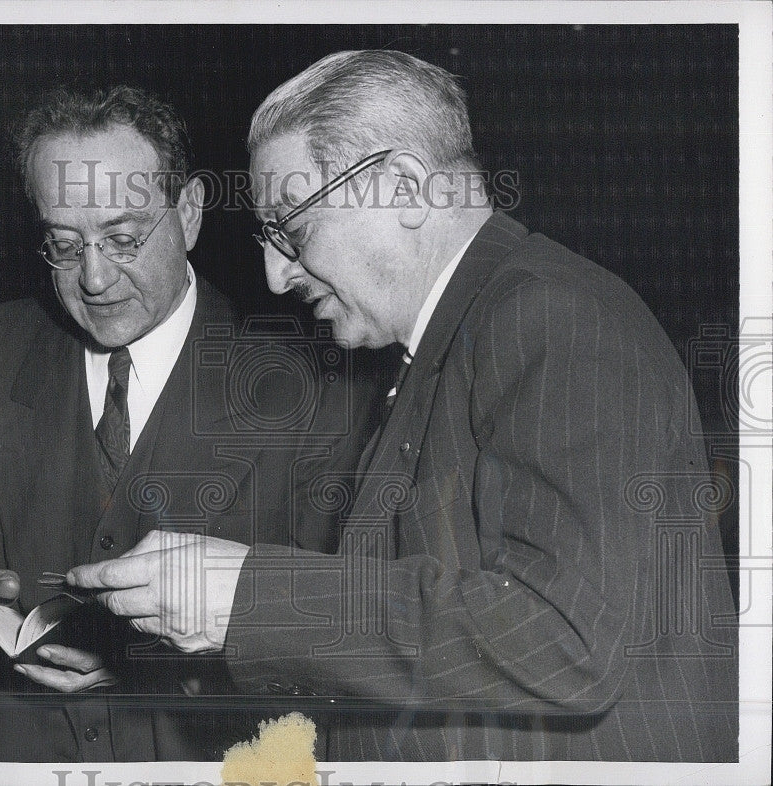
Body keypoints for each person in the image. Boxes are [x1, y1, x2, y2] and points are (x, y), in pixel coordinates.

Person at [67, 51, 739, 761]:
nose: (274, 274)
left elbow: (563, 637)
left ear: (405, 188)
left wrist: (246, 598)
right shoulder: (447, 343)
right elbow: (429, 638)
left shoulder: (554, 315)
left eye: (291, 231)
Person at [0, 84, 376, 761]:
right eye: (63, 245)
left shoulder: (316, 382)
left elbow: (341, 630)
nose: (93, 278)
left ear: (190, 214)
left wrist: (158, 655)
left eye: (122, 237)